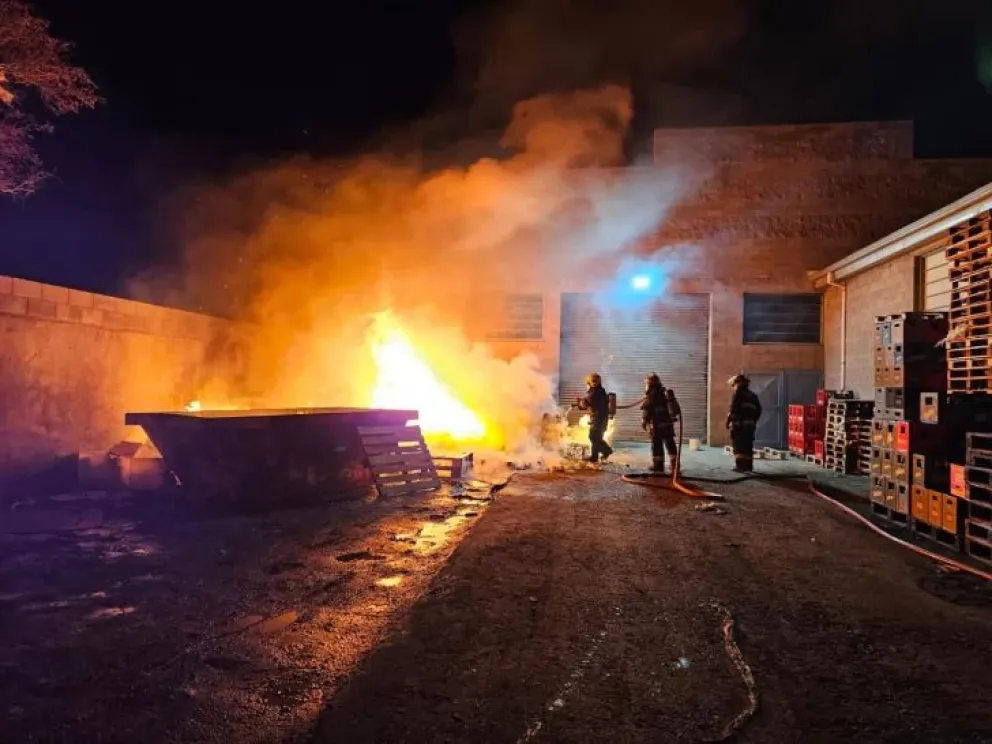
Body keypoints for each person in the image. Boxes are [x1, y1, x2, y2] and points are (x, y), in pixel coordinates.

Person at [641, 373, 680, 473]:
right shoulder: (664, 393)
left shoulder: (651, 396)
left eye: (647, 383)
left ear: (650, 384)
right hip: (668, 425)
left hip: (657, 425)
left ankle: (658, 465)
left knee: (657, 445)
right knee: (670, 443)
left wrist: (644, 421)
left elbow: (647, 409)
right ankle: (675, 465)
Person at [726, 373, 762, 472]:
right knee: (748, 445)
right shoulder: (753, 395)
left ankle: (740, 466)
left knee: (738, 445)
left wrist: (728, 421)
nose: (733, 387)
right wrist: (753, 421)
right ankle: (749, 466)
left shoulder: (737, 394)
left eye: (733, 385)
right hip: (750, 425)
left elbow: (733, 410)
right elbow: (759, 410)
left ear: (737, 384)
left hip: (739, 425)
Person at [576, 372, 613, 463]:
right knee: (597, 438)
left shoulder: (594, 393)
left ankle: (606, 450)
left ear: (590, 383)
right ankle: (594, 457)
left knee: (593, 437)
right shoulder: (600, 391)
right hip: (601, 419)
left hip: (597, 420)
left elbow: (585, 404)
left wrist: (580, 402)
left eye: (587, 384)